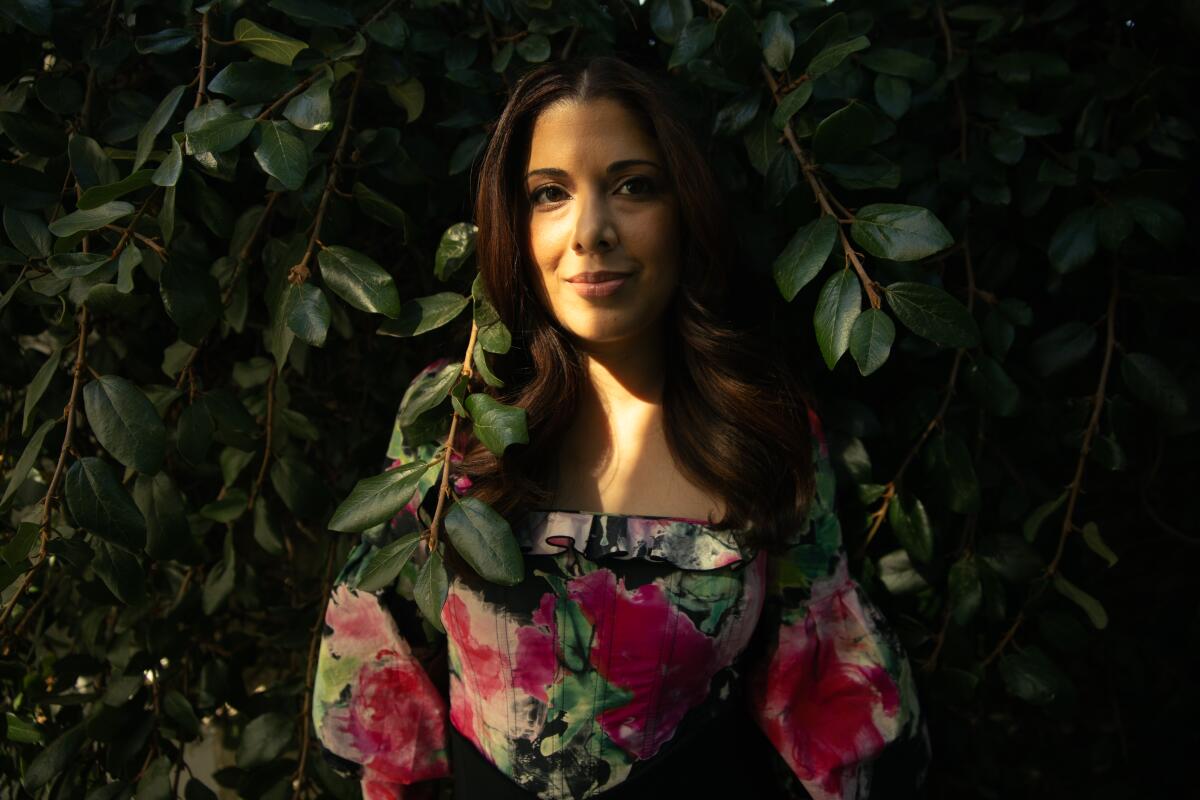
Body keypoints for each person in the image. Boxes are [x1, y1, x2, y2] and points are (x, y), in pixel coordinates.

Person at [311, 55, 931, 800]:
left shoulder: (768, 434)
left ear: (686, 208)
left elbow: (829, 697)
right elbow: (381, 683)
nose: (591, 231)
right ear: (512, 219)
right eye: (549, 194)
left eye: (633, 186)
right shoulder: (447, 426)